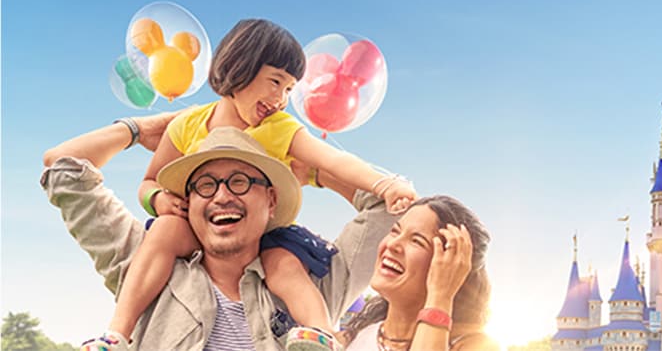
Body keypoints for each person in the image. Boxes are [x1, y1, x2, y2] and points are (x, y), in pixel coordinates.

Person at [86, 19, 416, 351]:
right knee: (165, 230)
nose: (281, 99)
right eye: (275, 81)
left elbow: (333, 160)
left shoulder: (278, 127)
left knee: (283, 264)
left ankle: (320, 335)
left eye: (289, 89)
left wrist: (384, 184)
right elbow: (148, 181)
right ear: (239, 68)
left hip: (265, 235)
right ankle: (118, 333)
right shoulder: (188, 124)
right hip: (200, 228)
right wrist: (157, 199)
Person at [41, 113, 398, 350]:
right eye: (206, 185)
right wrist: (139, 130)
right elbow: (64, 167)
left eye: (240, 182)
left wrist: (314, 171)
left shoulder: (314, 282)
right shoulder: (144, 264)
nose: (222, 196)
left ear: (272, 199)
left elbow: (392, 206)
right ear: (188, 203)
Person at [340, 195, 499, 351]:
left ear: (451, 267)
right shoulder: (351, 339)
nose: (393, 244)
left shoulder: (476, 346)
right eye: (395, 231)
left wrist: (440, 296)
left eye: (416, 241)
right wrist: (387, 187)